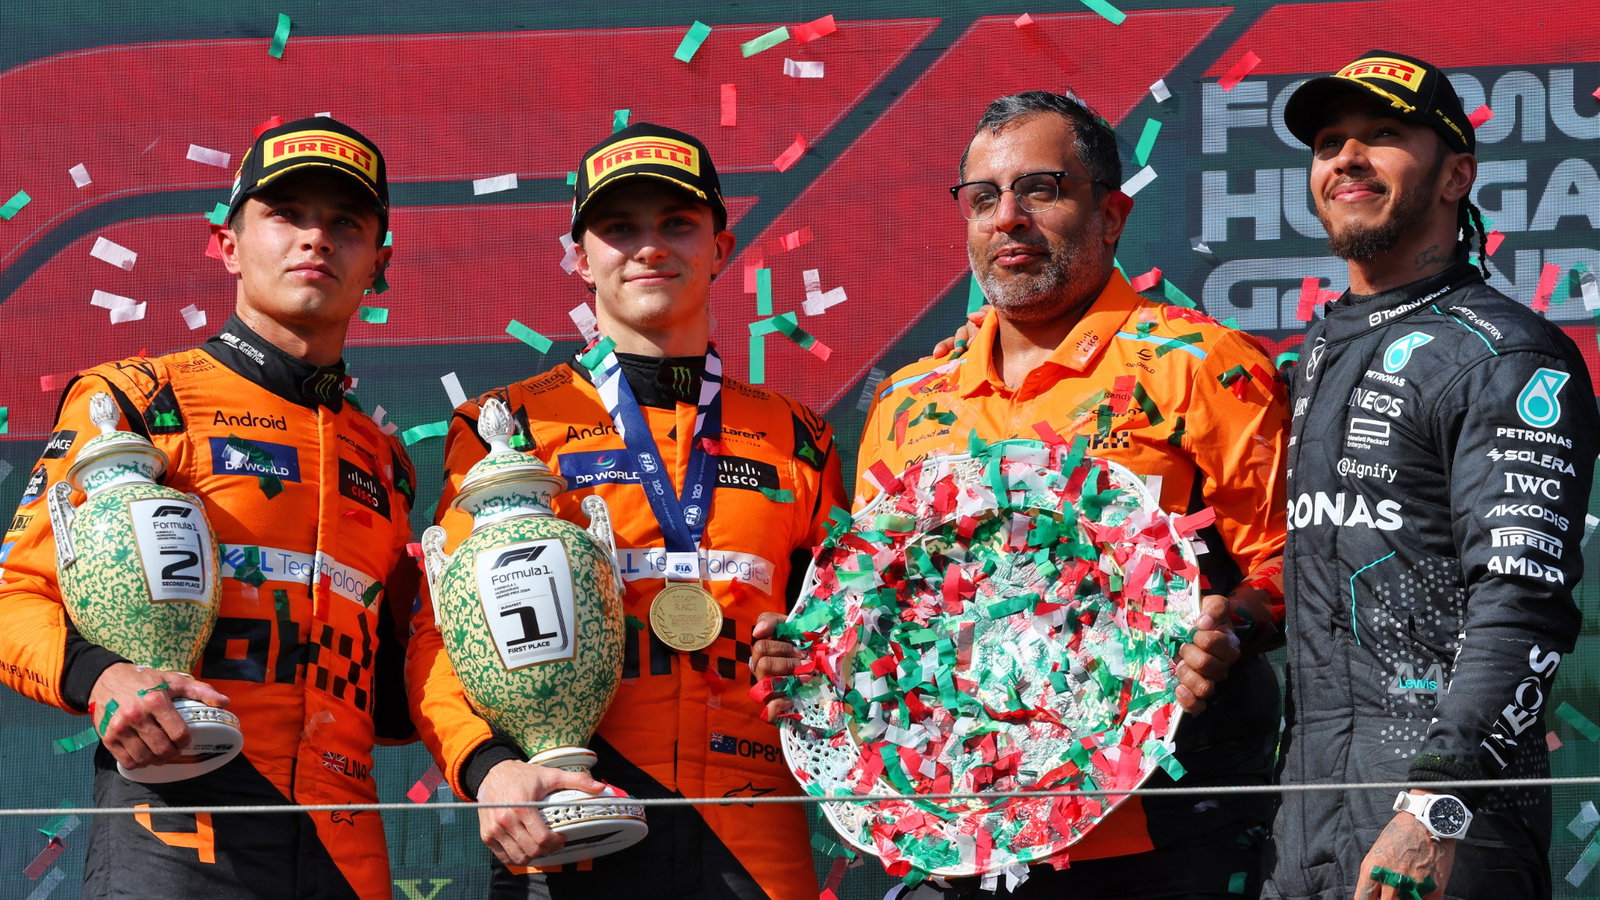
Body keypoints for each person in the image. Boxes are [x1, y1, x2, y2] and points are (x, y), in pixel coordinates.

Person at [755, 90, 1290, 897]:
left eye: (1039, 189)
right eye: (983, 198)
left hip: (1167, 837)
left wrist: (1233, 628)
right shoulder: (909, 401)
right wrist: (808, 655)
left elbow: (1294, 561)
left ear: (1110, 214)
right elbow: (873, 613)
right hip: (958, 838)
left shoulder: (1200, 364)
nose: (1007, 217)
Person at [406, 122, 848, 900]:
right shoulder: (507, 426)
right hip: (570, 813)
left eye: (677, 223)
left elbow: (847, 637)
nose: (649, 247)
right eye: (618, 228)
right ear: (578, 256)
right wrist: (487, 767)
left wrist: (813, 664)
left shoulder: (800, 438)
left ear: (723, 245)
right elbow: (443, 633)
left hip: (757, 837)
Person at [0, 117, 418, 898]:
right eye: (286, 214)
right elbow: (13, 595)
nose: (316, 239)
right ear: (227, 243)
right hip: (175, 815)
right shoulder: (136, 398)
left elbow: (392, 698)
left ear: (379, 264)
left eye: (346, 224)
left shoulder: (386, 462)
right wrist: (105, 677)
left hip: (346, 844)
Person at [1263, 51, 1597, 900]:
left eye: (1383, 135)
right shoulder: (1315, 359)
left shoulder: (1505, 355)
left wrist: (1434, 807)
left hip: (1440, 829)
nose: (1347, 157)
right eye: (1330, 140)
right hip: (1303, 823)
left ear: (1457, 176)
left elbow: (1523, 602)